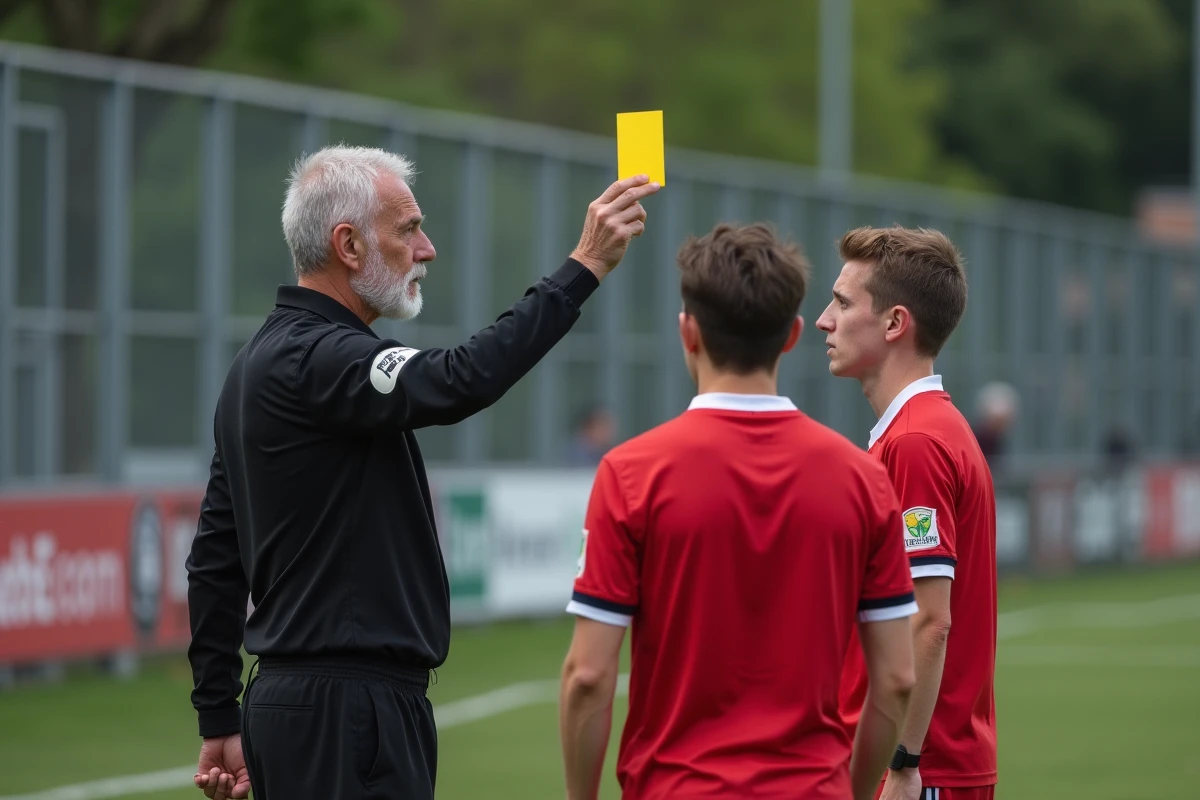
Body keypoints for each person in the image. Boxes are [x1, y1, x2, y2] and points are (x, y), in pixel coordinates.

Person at [186, 144, 660, 800]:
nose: (427, 249)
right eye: (408, 229)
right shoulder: (319, 358)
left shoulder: (255, 365)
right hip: (345, 712)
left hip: (308, 707)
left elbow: (215, 557)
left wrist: (218, 714)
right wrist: (585, 266)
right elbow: (463, 378)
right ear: (349, 245)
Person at [559, 223, 918, 800]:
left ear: (688, 331)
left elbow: (588, 675)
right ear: (793, 334)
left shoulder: (630, 473)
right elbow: (897, 678)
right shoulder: (864, 479)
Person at [815, 225, 998, 800]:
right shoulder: (926, 429)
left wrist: (902, 762)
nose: (823, 320)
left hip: (919, 771)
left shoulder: (916, 441)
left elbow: (929, 620)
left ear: (895, 323)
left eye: (843, 303)